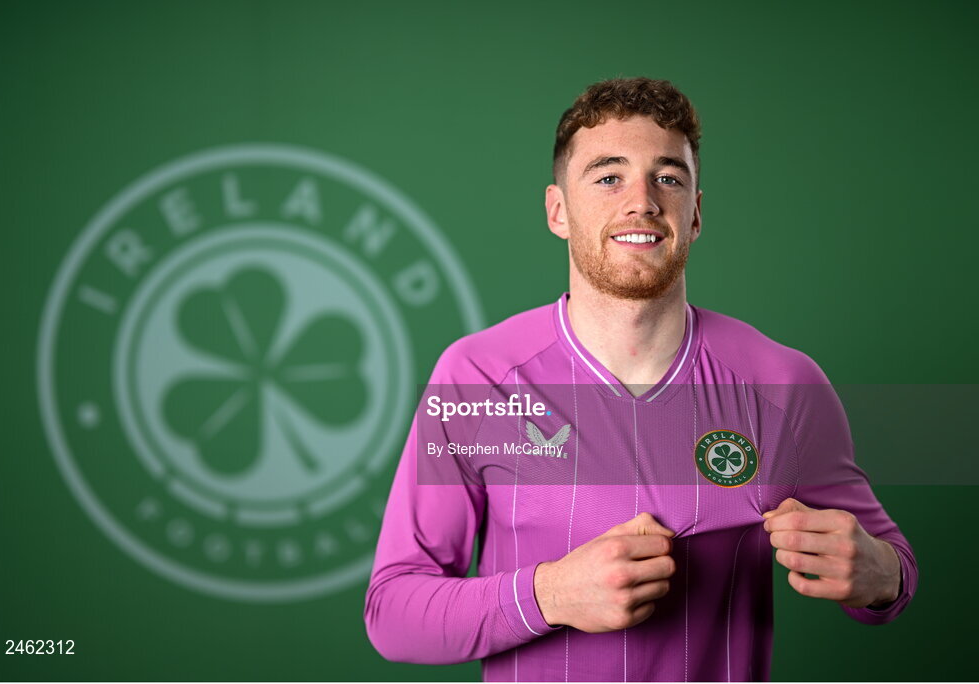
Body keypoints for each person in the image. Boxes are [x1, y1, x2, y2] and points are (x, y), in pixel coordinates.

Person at [363, 77, 916, 682]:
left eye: (669, 178)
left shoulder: (784, 385)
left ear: (696, 212)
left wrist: (879, 578)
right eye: (608, 176)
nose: (643, 202)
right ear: (557, 211)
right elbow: (393, 613)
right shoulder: (477, 377)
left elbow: (890, 574)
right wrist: (549, 595)